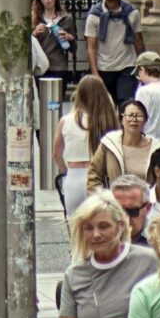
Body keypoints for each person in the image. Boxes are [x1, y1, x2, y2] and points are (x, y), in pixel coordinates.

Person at [59, 76, 121, 218]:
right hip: (101, 178)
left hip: (74, 177)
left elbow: (56, 153)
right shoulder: (109, 120)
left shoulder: (66, 121)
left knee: (76, 225)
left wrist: (66, 171)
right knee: (104, 222)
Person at [84, 0, 145, 104]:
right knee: (106, 106)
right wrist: (95, 74)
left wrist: (143, 65)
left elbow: (138, 40)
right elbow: (91, 46)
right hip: (104, 67)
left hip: (127, 65)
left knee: (126, 103)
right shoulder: (94, 16)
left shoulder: (132, 13)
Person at [88, 101, 160, 193]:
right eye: (130, 115)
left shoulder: (157, 148)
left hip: (147, 200)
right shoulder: (109, 143)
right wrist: (101, 198)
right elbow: (94, 174)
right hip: (116, 200)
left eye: (139, 116)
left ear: (145, 121)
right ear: (121, 120)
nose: (134, 119)